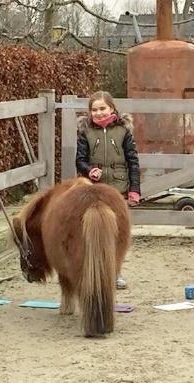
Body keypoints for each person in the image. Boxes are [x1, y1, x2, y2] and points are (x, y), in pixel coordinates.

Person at [76, 91, 141, 290]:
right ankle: (91, 272)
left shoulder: (124, 131)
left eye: (102, 108)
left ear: (111, 108)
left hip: (118, 189)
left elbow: (133, 161)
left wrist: (134, 189)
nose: (99, 113)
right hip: (93, 190)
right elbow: (80, 160)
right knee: (92, 232)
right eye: (94, 110)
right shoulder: (85, 132)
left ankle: (115, 272)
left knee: (116, 233)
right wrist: (89, 170)